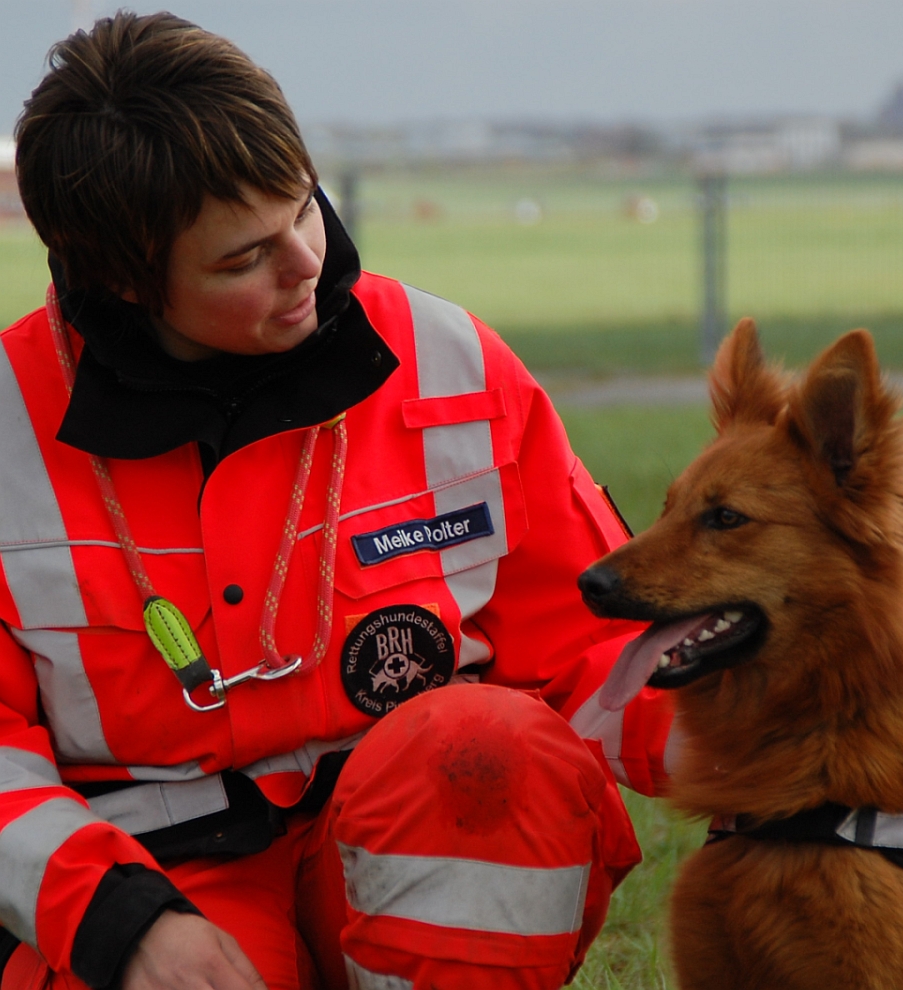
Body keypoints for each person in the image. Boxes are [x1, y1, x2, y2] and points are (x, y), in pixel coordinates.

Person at [0, 12, 676, 990]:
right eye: (242, 260)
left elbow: (594, 640)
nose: (306, 265)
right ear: (122, 279)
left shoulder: (449, 361)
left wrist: (779, 733)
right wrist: (119, 923)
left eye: (303, 209)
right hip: (157, 885)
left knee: (487, 747)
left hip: (409, 832)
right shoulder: (11, 421)